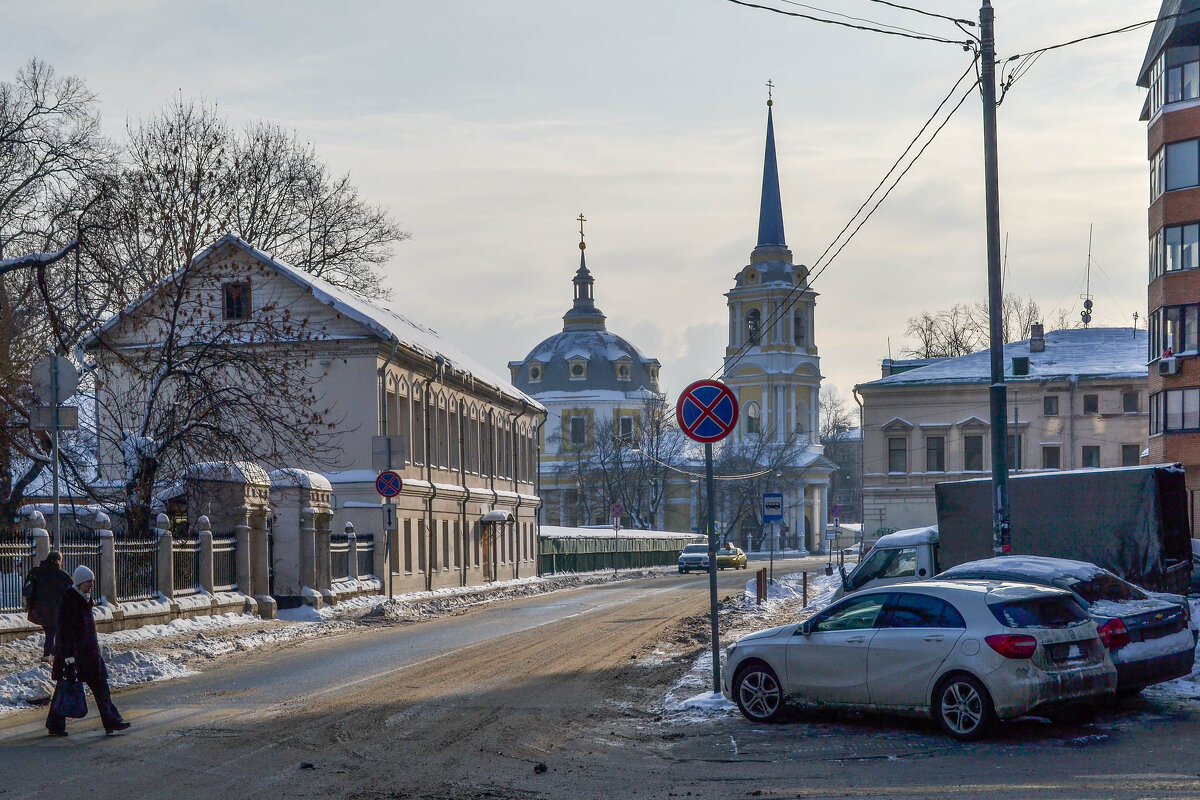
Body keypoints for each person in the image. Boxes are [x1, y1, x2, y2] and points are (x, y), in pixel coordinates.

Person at [46, 565, 130, 737]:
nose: (91, 584)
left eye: (92, 581)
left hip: (89, 655)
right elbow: (64, 632)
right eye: (88, 581)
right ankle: (55, 725)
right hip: (75, 656)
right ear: (79, 582)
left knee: (101, 688)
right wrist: (69, 658)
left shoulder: (83, 600)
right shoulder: (69, 603)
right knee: (65, 688)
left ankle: (111, 722)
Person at [23, 551, 72, 662]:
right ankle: (46, 656)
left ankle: (54, 652)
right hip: (55, 610)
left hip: (38, 609)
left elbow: (28, 587)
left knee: (50, 631)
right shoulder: (62, 575)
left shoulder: (36, 571)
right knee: (51, 632)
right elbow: (72, 591)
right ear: (59, 561)